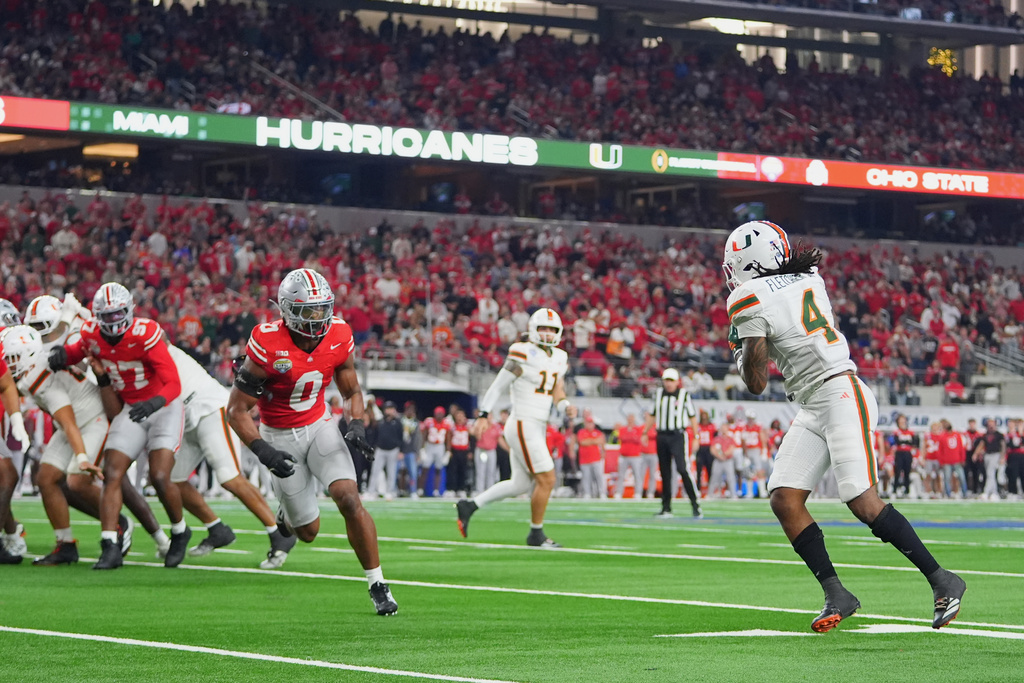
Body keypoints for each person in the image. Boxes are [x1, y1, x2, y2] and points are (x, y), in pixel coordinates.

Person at [723, 220, 965, 632]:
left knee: (862, 500)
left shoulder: (748, 297)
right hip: (816, 402)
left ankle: (943, 580)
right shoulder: (808, 276)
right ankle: (837, 592)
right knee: (784, 498)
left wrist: (743, 350)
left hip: (839, 392)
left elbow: (757, 382)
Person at [227, 268, 397, 615]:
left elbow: (350, 389)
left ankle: (377, 582)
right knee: (307, 532)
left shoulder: (339, 333)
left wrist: (357, 423)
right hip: (279, 435)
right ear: (288, 310)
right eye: (309, 310)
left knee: (349, 498)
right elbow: (236, 411)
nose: (318, 317)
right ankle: (287, 519)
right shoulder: (266, 342)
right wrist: (264, 451)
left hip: (319, 424)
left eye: (322, 308)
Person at [49, 283, 191, 570]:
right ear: (99, 316)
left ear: (129, 311)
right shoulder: (91, 332)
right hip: (131, 408)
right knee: (112, 473)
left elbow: (173, 382)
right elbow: (79, 350)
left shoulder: (146, 333)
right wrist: (62, 355)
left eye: (118, 315)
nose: (113, 321)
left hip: (163, 404)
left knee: (160, 476)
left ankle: (179, 531)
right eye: (108, 316)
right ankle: (110, 545)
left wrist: (153, 403)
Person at [4, 326, 162, 565]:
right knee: (46, 478)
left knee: (77, 480)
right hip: (74, 422)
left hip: (92, 420)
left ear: (27, 354)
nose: (8, 364)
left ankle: (118, 522)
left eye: (12, 358)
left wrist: (81, 458)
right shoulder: (31, 372)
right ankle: (65, 545)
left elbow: (68, 423)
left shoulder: (41, 379)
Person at [161, 345, 294, 566]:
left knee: (229, 477)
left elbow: (158, 339)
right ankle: (217, 529)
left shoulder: (150, 342)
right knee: (173, 480)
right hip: (185, 417)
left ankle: (278, 533)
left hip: (209, 407)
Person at [456, 308, 575, 547]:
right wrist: (483, 415)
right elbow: (498, 385)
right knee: (547, 479)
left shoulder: (559, 358)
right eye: (543, 328)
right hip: (523, 422)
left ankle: (470, 505)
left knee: (520, 484)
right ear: (532, 329)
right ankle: (536, 533)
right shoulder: (524, 352)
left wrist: (564, 406)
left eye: (552, 329)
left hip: (538, 424)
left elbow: (556, 389)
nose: (548, 333)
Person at [651, 368, 701, 519]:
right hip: (661, 435)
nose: (668, 383)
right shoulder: (658, 394)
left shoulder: (684, 394)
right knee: (665, 472)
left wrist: (696, 437)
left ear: (677, 381)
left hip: (678, 435)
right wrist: (646, 432)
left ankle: (695, 504)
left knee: (682, 468)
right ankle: (666, 507)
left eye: (671, 380)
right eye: (666, 380)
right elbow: (652, 414)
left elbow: (692, 417)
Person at [368, 401, 403, 501]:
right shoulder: (380, 422)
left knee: (391, 472)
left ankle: (390, 492)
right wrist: (373, 448)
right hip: (380, 449)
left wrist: (401, 450)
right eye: (387, 408)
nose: (389, 411)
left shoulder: (397, 422)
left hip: (393, 450)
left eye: (391, 408)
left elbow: (401, 437)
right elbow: (375, 435)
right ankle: (371, 491)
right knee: (375, 471)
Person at [972, 418, 1006, 501]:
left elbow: (1003, 446)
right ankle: (994, 493)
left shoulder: (999, 435)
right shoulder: (986, 434)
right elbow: (982, 444)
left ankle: (986, 492)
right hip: (987, 455)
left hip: (995, 454)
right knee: (990, 474)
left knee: (990, 473)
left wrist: (1002, 457)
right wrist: (976, 453)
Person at [420, 407, 451, 497]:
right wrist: (422, 449)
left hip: (440, 446)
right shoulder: (429, 422)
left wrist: (448, 452)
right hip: (430, 445)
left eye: (441, 413)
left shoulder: (446, 423)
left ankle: (436, 490)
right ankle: (420, 489)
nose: (439, 415)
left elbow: (448, 438)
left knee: (438, 469)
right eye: (438, 413)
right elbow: (424, 435)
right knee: (425, 468)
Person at [576, 409, 606, 499]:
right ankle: (587, 493)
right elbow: (582, 442)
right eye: (588, 423)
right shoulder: (581, 432)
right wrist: (594, 441)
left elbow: (601, 441)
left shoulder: (598, 432)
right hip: (584, 459)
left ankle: (602, 493)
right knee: (586, 477)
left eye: (591, 423)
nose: (589, 425)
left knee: (599, 477)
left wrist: (590, 441)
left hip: (596, 458)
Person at [615, 413, 644, 499]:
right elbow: (622, 438)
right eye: (629, 418)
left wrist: (629, 436)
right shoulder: (623, 429)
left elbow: (638, 439)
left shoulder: (638, 429)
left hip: (635, 456)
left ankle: (638, 492)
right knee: (621, 475)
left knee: (637, 475)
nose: (630, 420)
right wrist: (631, 437)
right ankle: (619, 492)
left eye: (632, 418)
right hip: (624, 455)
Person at [474, 409, 503, 494]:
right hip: (481, 450)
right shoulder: (481, 425)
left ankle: (489, 491)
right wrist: (481, 429)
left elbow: (499, 439)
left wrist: (509, 449)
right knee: (480, 471)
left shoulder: (495, 427)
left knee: (491, 471)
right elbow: (476, 436)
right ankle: (480, 490)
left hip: (491, 451)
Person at [889, 415, 918, 499]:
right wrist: (906, 442)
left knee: (907, 472)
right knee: (897, 471)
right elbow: (897, 441)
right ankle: (894, 490)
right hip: (899, 453)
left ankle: (907, 491)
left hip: (907, 453)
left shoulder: (910, 432)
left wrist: (904, 442)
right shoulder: (896, 432)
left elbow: (913, 442)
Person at [400, 402, 421, 498]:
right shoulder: (400, 421)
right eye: (409, 409)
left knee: (413, 473)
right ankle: (401, 490)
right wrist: (399, 450)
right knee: (401, 472)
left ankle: (413, 491)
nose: (410, 412)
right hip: (401, 451)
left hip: (411, 451)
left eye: (412, 410)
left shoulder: (416, 422)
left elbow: (418, 438)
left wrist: (418, 452)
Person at [694, 411, 716, 496]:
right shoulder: (698, 426)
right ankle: (698, 489)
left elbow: (715, 438)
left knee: (710, 470)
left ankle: (710, 490)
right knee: (699, 470)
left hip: (708, 449)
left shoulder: (712, 427)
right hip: (700, 449)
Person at [639, 413, 659, 498]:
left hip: (653, 453)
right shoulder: (641, 427)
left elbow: (655, 436)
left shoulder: (656, 427)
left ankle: (651, 492)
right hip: (643, 453)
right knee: (641, 474)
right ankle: (639, 492)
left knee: (652, 474)